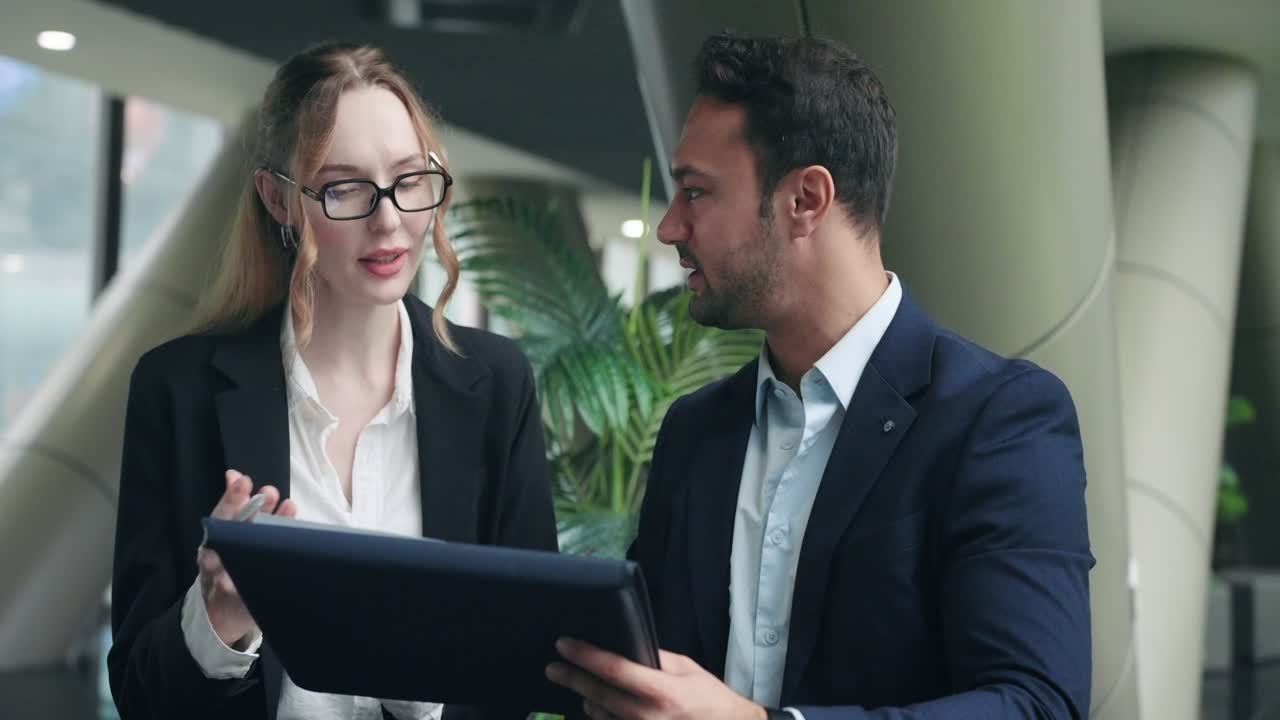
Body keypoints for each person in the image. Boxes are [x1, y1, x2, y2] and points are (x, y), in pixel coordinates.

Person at [546, 32, 1093, 719]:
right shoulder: (695, 431)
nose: (669, 227)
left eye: (695, 193)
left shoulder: (999, 418)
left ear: (806, 198)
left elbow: (1035, 705)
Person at [108, 42, 557, 720]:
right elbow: (140, 694)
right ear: (278, 199)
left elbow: (531, 662)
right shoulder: (179, 391)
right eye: (344, 187)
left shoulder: (494, 386)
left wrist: (423, 679)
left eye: (409, 179)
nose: (389, 220)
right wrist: (216, 618)